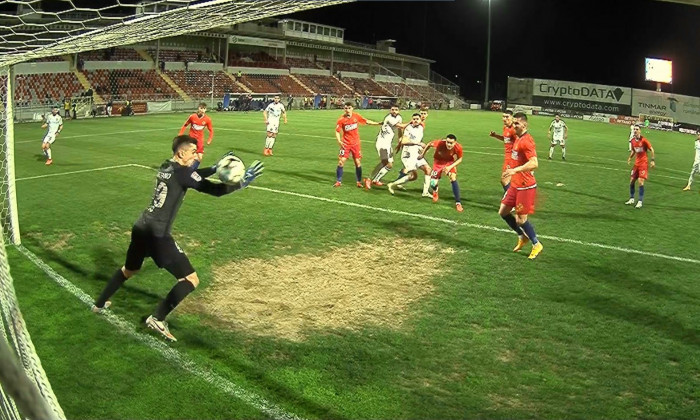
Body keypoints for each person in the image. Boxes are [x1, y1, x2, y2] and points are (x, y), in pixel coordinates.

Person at [91, 136, 264, 342]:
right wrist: (241, 183)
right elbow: (214, 190)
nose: (196, 155)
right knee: (190, 280)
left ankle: (99, 304)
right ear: (181, 153)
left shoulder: (167, 166)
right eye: (193, 152)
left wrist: (215, 168)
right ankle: (157, 318)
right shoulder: (182, 173)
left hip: (141, 227)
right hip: (157, 235)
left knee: (129, 270)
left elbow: (191, 175)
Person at [499, 112, 543, 260]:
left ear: (525, 124)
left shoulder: (527, 141)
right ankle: (521, 236)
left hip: (525, 187)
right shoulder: (518, 138)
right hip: (515, 185)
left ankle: (536, 244)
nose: (514, 125)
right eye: (514, 123)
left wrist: (514, 170)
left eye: (517, 123)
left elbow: (534, 163)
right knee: (503, 211)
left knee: (520, 220)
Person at [333, 102, 380, 187]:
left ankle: (358, 181)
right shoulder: (341, 120)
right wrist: (339, 141)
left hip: (355, 144)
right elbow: (337, 131)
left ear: (352, 108)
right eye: (346, 108)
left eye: (349, 108)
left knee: (357, 162)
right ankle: (338, 181)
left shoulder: (356, 116)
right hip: (346, 144)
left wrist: (378, 123)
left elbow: (366, 121)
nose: (347, 110)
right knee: (341, 162)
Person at [386, 113, 432, 197]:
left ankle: (425, 192)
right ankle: (392, 185)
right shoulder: (408, 128)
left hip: (416, 152)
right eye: (413, 119)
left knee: (428, 169)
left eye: (417, 119)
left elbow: (422, 122)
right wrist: (418, 143)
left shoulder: (421, 127)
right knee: (413, 176)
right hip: (408, 154)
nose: (415, 120)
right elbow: (403, 141)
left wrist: (421, 148)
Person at [420, 134, 464, 212]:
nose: (449, 144)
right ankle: (435, 190)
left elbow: (460, 159)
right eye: (448, 142)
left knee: (453, 178)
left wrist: (449, 167)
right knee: (433, 183)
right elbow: (429, 144)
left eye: (451, 143)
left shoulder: (458, 147)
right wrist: (422, 154)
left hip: (449, 162)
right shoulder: (440, 143)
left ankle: (458, 203)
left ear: (455, 143)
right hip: (438, 162)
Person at [364, 105, 402, 189]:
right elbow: (402, 126)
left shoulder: (399, 118)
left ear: (399, 111)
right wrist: (413, 122)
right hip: (381, 143)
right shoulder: (389, 118)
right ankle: (369, 179)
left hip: (388, 144)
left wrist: (400, 141)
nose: (394, 111)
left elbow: (400, 130)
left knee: (389, 165)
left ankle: (376, 180)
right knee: (384, 161)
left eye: (396, 110)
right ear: (390, 110)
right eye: (392, 110)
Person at [625, 125, 655, 208]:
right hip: (636, 164)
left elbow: (652, 149)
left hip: (643, 164)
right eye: (634, 129)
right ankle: (631, 199)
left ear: (640, 131)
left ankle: (640, 201)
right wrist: (630, 158)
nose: (635, 130)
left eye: (637, 129)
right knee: (631, 181)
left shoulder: (644, 140)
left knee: (640, 182)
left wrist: (652, 160)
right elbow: (634, 151)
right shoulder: (633, 141)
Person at [179, 102, 214, 169]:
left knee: (200, 157)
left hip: (200, 140)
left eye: (204, 109)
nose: (202, 110)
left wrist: (209, 139)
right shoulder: (192, 117)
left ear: (205, 110)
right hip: (191, 139)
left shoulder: (207, 119)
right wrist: (180, 134)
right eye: (201, 108)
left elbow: (211, 130)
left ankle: (192, 169)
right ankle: (187, 169)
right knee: (191, 156)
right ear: (198, 108)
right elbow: (185, 125)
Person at [489, 109, 517, 192]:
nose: (504, 119)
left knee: (504, 180)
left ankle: (511, 200)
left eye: (507, 117)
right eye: (503, 116)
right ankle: (513, 200)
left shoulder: (514, 129)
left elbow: (520, 143)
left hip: (512, 158)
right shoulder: (505, 128)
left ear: (512, 118)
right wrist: (495, 136)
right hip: (507, 157)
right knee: (508, 181)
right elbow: (506, 139)